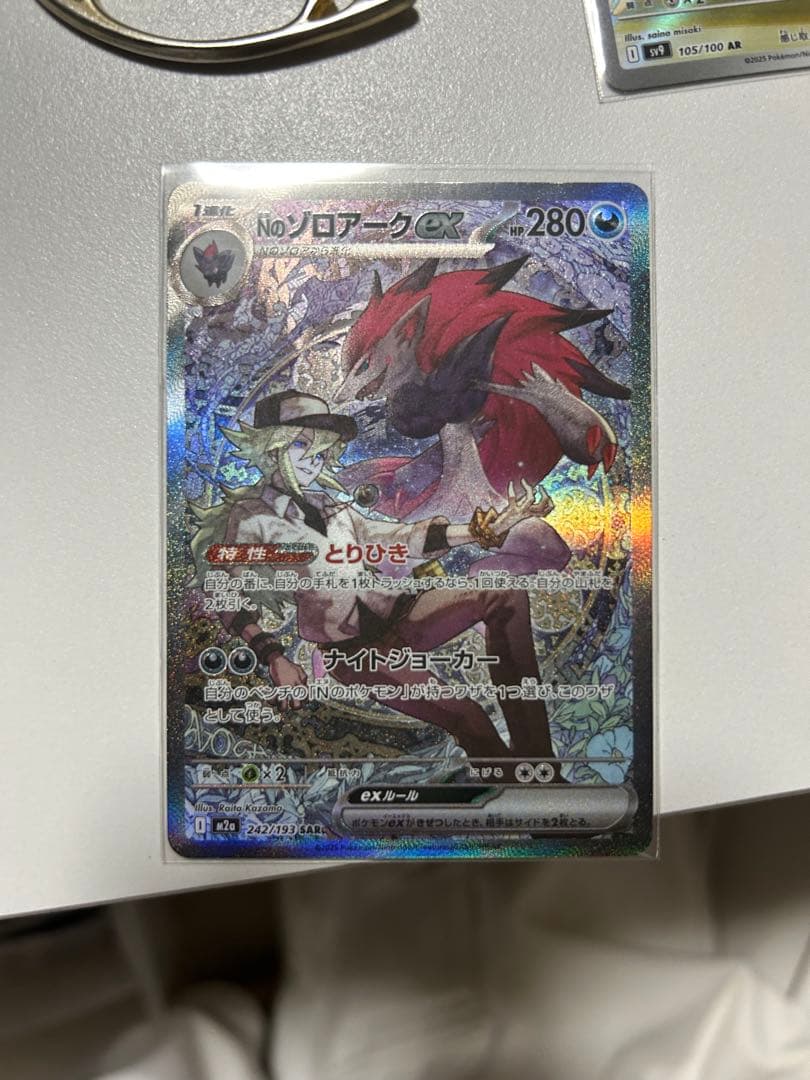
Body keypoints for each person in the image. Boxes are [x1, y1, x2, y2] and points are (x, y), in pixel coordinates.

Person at [208, 390, 558, 763]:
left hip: (402, 614)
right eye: (301, 444)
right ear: (270, 447)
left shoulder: (332, 506)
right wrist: (273, 655)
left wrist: (480, 531)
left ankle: (538, 762)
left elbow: (395, 537)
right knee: (466, 717)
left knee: (503, 595)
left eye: (322, 450)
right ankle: (509, 781)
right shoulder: (252, 517)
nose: (314, 459)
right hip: (354, 652)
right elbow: (224, 590)